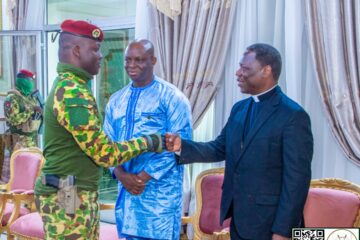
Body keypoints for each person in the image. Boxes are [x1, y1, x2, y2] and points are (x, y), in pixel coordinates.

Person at [165, 43, 313, 240]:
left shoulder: (293, 116)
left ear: (266, 71)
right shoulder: (239, 109)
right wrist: (182, 146)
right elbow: (219, 148)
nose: (238, 73)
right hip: (239, 219)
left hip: (271, 224)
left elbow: (296, 182)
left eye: (245, 68)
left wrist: (283, 231)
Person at [34, 20, 164, 240]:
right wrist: (150, 142)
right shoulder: (72, 92)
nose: (101, 55)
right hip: (68, 192)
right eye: (94, 49)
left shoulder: (72, 85)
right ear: (76, 51)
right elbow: (104, 153)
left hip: (69, 187)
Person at [103, 39, 192, 240]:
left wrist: (141, 178)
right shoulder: (116, 100)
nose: (131, 65)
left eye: (139, 60)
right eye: (128, 60)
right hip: (127, 196)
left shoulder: (172, 98)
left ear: (153, 60)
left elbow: (180, 147)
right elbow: (105, 146)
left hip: (159, 199)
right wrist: (121, 175)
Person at [3, 69, 43, 154]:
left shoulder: (30, 98)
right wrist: (32, 110)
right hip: (19, 143)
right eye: (30, 81)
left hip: (32, 141)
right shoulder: (11, 98)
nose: (32, 83)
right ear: (23, 81)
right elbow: (13, 120)